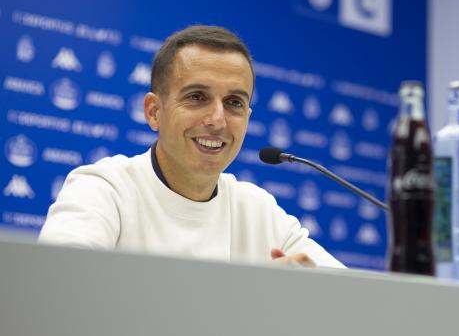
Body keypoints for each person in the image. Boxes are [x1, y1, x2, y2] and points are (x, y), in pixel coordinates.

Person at [39, 25, 345, 269]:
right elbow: (56, 288)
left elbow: (351, 297)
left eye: (234, 103)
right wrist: (252, 299)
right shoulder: (105, 188)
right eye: (197, 97)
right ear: (153, 112)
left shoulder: (258, 209)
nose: (218, 120)